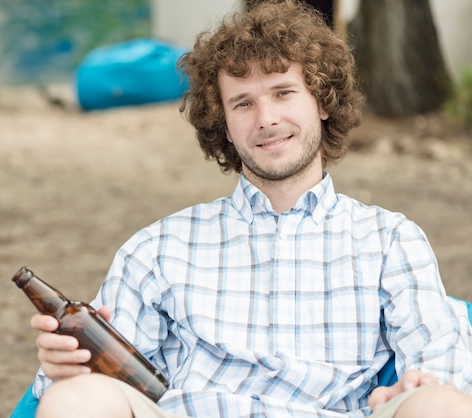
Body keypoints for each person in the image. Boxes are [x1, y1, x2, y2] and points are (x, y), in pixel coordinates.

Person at [27, 1, 472, 417]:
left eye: (283, 93)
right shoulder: (160, 246)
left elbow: (445, 364)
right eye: (243, 103)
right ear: (222, 121)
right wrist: (66, 364)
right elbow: (92, 373)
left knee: (441, 404)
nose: (266, 119)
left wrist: (414, 386)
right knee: (77, 397)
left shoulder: (389, 238)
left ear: (322, 101)